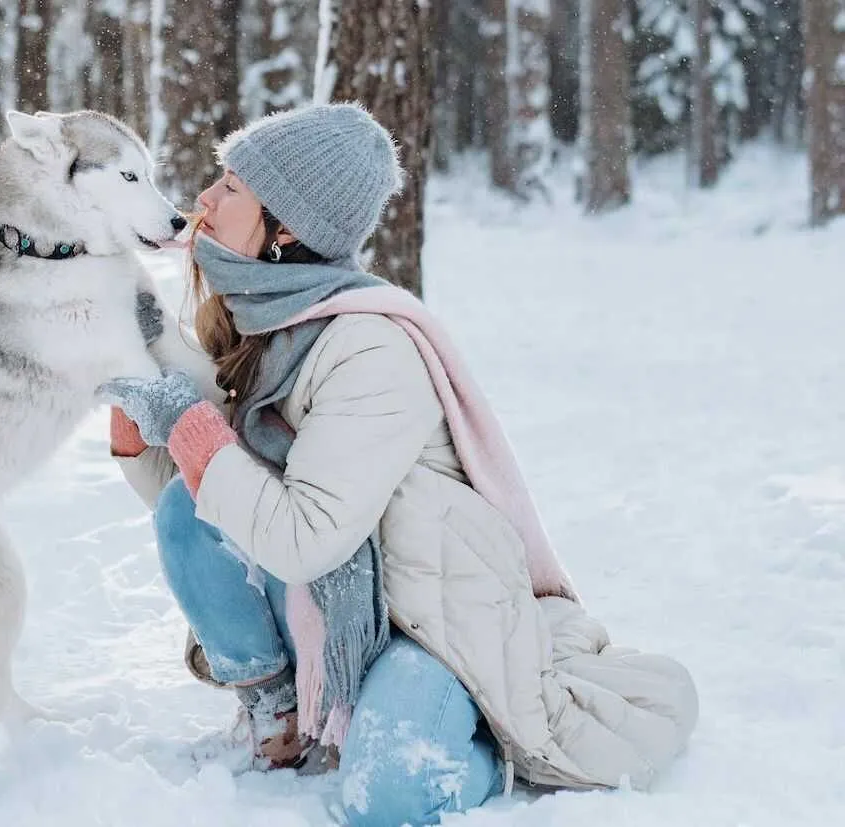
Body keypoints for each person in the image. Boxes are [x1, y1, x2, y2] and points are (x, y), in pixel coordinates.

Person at [100, 103, 697, 827]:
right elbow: (222, 504)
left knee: (385, 798)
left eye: (231, 186)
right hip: (323, 603)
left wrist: (192, 432)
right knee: (181, 508)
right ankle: (277, 708)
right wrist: (143, 445)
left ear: (286, 227)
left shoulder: (365, 348)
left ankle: (476, 735)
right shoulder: (263, 326)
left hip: (424, 623)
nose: (204, 199)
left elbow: (303, 533)